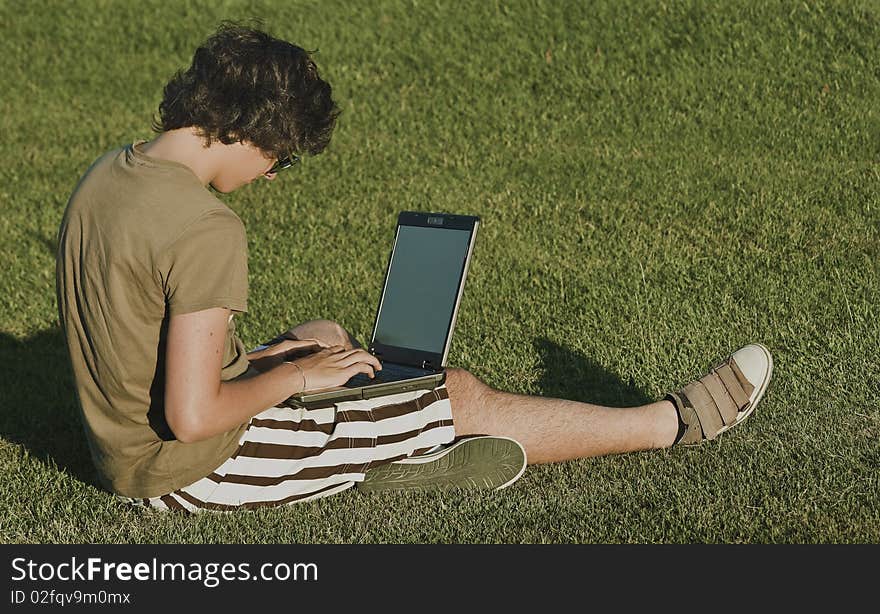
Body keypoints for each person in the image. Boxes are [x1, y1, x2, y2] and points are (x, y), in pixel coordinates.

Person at [56, 23, 773, 513]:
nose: (275, 173)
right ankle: (668, 424)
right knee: (454, 392)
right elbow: (191, 416)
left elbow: (136, 340)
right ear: (254, 130)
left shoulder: (108, 175)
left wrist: (281, 354)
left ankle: (390, 451)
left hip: (119, 450)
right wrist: (295, 377)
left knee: (326, 333)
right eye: (284, 153)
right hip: (196, 473)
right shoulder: (205, 226)